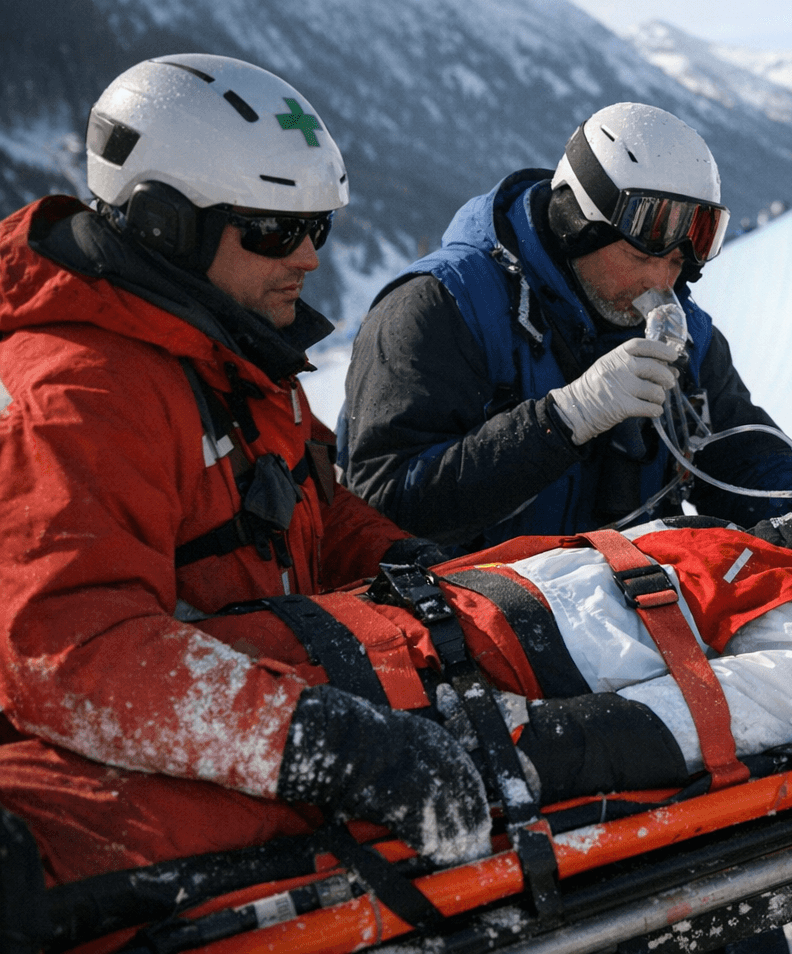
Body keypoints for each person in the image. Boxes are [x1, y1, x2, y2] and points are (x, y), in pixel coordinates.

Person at [0, 430, 792, 884]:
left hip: (382, 724)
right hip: (328, 649)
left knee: (43, 840)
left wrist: (493, 760)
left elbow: (729, 716)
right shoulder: (774, 552)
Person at [0, 54, 489, 876]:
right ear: (165, 224)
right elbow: (69, 653)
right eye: (273, 229)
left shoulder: (235, 355)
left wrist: (407, 566)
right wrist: (317, 743)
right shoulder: (78, 395)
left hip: (268, 723)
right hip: (142, 806)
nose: (308, 257)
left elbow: (316, 510)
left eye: (318, 227)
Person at [340, 103, 792, 552]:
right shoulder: (443, 307)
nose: (661, 281)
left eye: (677, 262)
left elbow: (745, 464)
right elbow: (383, 506)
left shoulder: (686, 336)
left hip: (622, 612)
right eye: (642, 255)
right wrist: (563, 420)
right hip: (467, 614)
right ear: (578, 224)